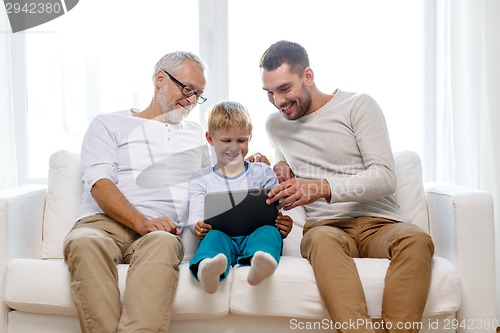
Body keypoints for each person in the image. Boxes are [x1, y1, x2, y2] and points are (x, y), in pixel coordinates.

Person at [259, 40, 435, 333]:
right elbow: (284, 162)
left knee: (417, 240)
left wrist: (321, 187)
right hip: (327, 228)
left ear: (308, 76)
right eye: (269, 93)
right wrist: (279, 166)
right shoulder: (275, 125)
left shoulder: (357, 105)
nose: (278, 102)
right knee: (319, 242)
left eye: (284, 89)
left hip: (382, 223)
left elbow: (385, 177)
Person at [63, 51, 212, 333]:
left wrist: (252, 163)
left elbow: (214, 183)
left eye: (198, 95)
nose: (192, 100)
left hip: (162, 232)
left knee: (166, 244)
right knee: (84, 243)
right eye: (187, 89)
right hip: (103, 224)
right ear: (160, 79)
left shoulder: (197, 134)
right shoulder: (109, 124)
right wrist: (141, 221)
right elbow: (99, 182)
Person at [187, 100, 293, 294]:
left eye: (241, 140)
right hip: (222, 237)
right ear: (210, 138)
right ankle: (208, 269)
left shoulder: (262, 173)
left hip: (254, 236)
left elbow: (277, 210)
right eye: (226, 141)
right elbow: (195, 214)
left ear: (250, 137)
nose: (234, 148)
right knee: (213, 237)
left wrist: (283, 224)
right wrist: (197, 226)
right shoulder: (201, 179)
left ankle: (259, 263)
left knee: (269, 233)